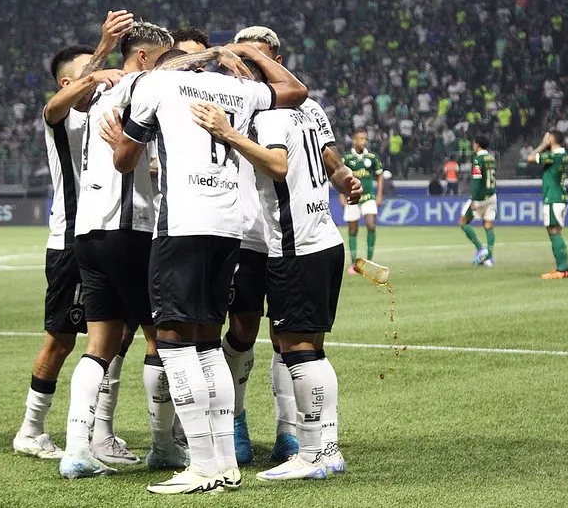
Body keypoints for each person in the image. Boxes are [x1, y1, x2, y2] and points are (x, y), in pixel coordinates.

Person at [110, 42, 308, 494]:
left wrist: (121, 139)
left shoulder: (155, 82)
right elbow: (295, 90)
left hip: (181, 225)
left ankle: (201, 463)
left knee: (175, 342)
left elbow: (124, 160)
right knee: (206, 342)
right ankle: (223, 464)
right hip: (229, 226)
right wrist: (246, 54)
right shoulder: (233, 87)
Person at [189, 67, 359, 481]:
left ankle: (304, 441)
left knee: (296, 345)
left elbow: (298, 161)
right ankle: (248, 425)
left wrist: (340, 175)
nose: (238, 73)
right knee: (259, 333)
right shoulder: (244, 102)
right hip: (253, 236)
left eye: (249, 64)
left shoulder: (283, 112)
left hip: (291, 241)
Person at [12, 10, 134, 466]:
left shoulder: (104, 114)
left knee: (115, 336)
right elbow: (59, 102)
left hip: (105, 237)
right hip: (69, 242)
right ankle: (30, 429)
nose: (100, 82)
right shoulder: (60, 118)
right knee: (61, 340)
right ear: (69, 84)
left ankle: (100, 433)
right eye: (90, 76)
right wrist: (102, 50)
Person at [59, 21, 175, 479]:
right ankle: (164, 447)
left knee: (99, 344)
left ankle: (75, 451)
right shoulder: (142, 90)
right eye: (164, 58)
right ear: (144, 58)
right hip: (130, 230)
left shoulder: (95, 95)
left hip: (89, 232)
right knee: (160, 337)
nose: (169, 67)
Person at [528, 131, 568, 279]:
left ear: (551, 139)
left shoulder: (555, 156)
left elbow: (530, 158)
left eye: (547, 137)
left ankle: (562, 269)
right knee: (555, 231)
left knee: (553, 232)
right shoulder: (564, 155)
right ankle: (563, 268)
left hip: (553, 198)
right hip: (561, 196)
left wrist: (542, 145)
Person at [341, 128, 384, 268]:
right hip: (352, 197)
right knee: (353, 230)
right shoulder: (346, 158)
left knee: (371, 225)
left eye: (365, 139)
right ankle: (354, 263)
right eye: (361, 139)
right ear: (354, 140)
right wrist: (341, 194)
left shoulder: (372, 157)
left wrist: (379, 195)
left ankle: (369, 260)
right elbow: (340, 177)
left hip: (368, 196)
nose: (364, 141)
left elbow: (379, 175)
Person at [458, 137, 496, 267]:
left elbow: (476, 180)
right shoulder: (491, 158)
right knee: (488, 225)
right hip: (492, 196)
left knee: (463, 222)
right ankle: (489, 258)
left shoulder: (478, 160)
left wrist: (474, 198)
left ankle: (481, 249)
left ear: (477, 144)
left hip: (479, 198)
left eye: (474, 143)